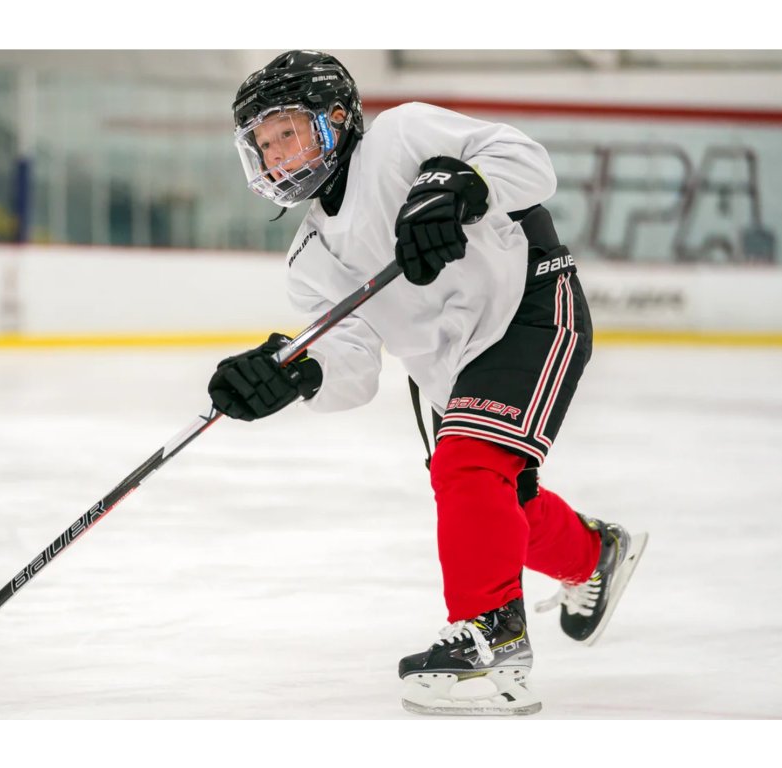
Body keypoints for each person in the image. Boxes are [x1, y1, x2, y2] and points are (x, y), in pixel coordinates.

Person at [207, 50, 648, 716]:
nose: (276, 157)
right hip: (444, 366)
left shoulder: (401, 136)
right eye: (263, 146)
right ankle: (595, 553)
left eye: (286, 133)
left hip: (525, 305)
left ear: (335, 118)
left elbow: (529, 162)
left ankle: (492, 637)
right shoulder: (309, 258)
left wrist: (461, 184)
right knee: (495, 498)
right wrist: (297, 374)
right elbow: (353, 366)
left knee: (468, 465)